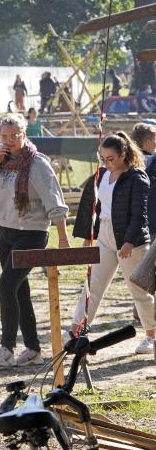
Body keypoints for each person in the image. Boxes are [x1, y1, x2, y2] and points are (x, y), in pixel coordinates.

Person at [0, 113, 69, 369]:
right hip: (5, 232)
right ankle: (33, 349)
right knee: (19, 289)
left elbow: (55, 202)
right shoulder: (2, 162)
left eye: (14, 135)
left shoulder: (37, 164)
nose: (9, 140)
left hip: (32, 233)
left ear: (24, 134)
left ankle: (6, 348)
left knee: (6, 286)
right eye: (4, 136)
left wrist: (62, 238)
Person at [70, 133, 155, 355]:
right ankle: (76, 331)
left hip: (131, 240)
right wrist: (90, 234)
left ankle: (151, 335)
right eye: (103, 158)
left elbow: (139, 215)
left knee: (139, 291)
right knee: (93, 286)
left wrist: (127, 242)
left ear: (124, 154)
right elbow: (96, 208)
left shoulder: (137, 178)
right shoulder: (102, 175)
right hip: (105, 236)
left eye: (111, 158)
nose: (107, 163)